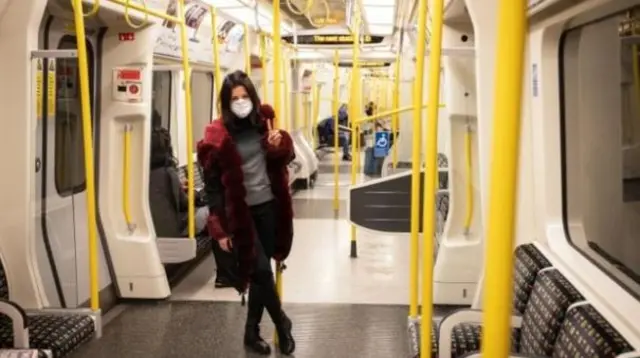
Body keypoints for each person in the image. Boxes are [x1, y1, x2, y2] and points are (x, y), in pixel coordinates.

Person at [196, 70, 296, 355]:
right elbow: (213, 186)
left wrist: (281, 146)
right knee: (262, 271)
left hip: (268, 208)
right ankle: (282, 322)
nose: (241, 102)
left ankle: (251, 332)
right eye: (234, 98)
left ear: (253, 97)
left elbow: (285, 160)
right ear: (226, 103)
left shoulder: (264, 125)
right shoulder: (217, 135)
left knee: (258, 273)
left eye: (245, 96)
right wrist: (219, 227)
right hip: (240, 216)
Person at [148, 118, 209, 238]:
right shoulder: (168, 172)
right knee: (206, 212)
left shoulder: (143, 173)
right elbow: (184, 203)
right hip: (171, 229)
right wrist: (195, 193)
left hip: (153, 227)